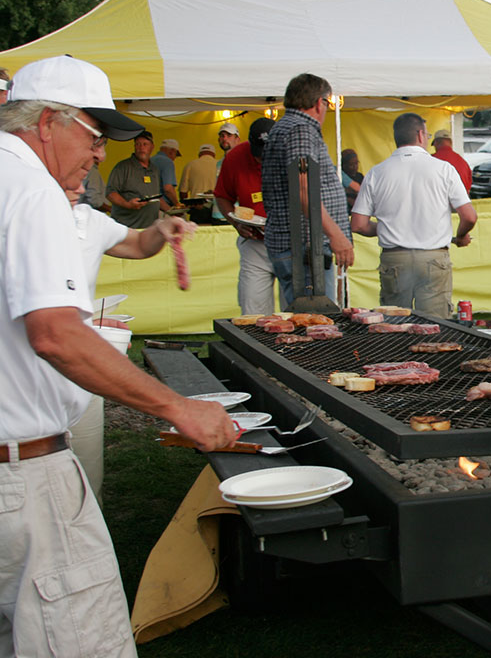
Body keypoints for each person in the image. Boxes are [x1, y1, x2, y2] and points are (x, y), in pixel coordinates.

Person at [0, 54, 235, 658]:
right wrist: (178, 407)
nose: (100, 152)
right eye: (94, 133)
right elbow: (54, 333)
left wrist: (162, 232)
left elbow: (130, 241)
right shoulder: (31, 190)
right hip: (22, 476)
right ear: (47, 121)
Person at [64, 181, 197, 503]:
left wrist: (162, 227)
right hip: (29, 387)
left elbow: (137, 244)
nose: (96, 155)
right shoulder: (16, 215)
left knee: (85, 484)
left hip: (79, 380)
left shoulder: (87, 220)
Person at [351, 113, 478, 317]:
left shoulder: (376, 172)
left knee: (394, 325)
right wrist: (461, 235)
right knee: (436, 325)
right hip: (434, 257)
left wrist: (386, 227)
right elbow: (469, 216)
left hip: (395, 258)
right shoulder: (444, 169)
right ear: (420, 135)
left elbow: (358, 224)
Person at [260, 74, 354, 308]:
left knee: (309, 320)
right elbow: (304, 189)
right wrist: (336, 235)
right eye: (328, 104)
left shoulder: (288, 126)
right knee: (316, 322)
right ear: (318, 103)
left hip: (301, 246)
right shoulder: (301, 129)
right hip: (304, 248)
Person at [215, 118, 283, 316]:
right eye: (258, 155)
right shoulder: (235, 157)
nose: (261, 159)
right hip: (255, 243)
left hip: (291, 242)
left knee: (296, 311)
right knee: (253, 310)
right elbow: (222, 196)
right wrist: (236, 223)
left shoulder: (292, 153)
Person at [106, 129, 164, 228]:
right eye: (138, 144)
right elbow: (110, 193)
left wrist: (173, 211)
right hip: (127, 228)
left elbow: (157, 198)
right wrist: (127, 204)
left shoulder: (154, 169)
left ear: (152, 147)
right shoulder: (123, 167)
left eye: (145, 144)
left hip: (149, 229)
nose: (141, 148)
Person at [431, 128, 472, 193]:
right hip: (460, 201)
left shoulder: (431, 160)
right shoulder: (463, 162)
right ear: (451, 143)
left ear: (436, 143)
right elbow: (468, 188)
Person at [150, 137, 181, 207]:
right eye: (176, 155)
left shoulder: (150, 160)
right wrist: (177, 204)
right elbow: (168, 189)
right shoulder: (167, 162)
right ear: (172, 151)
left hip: (148, 205)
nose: (174, 158)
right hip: (162, 206)